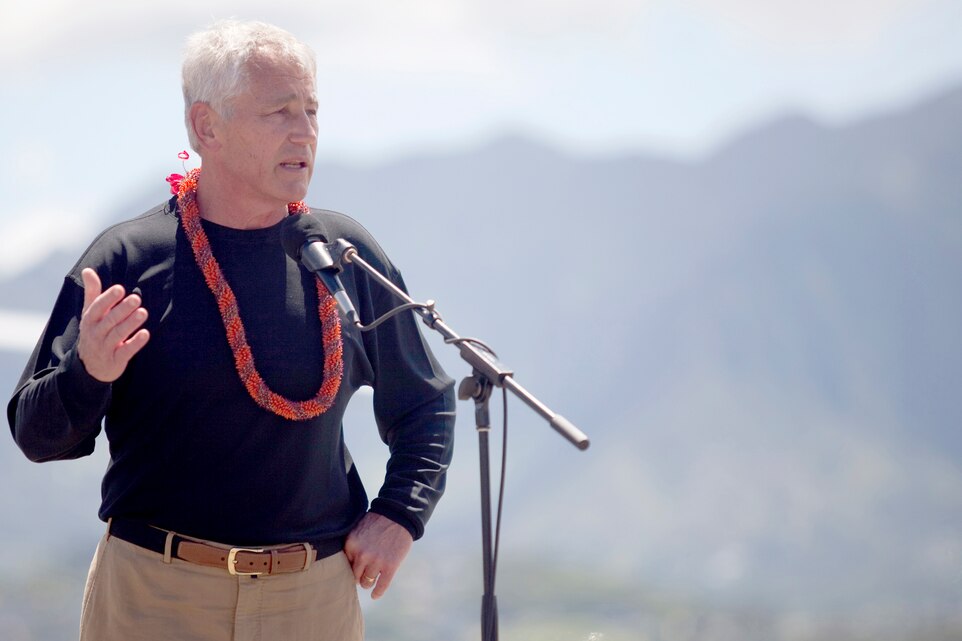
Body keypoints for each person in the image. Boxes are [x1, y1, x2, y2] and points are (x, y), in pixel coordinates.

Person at [6, 19, 455, 641]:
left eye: (312, 110)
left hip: (312, 600)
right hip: (156, 597)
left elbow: (427, 401)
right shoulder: (127, 259)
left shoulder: (344, 255)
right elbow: (35, 434)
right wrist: (89, 374)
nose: (304, 131)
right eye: (279, 111)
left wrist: (400, 515)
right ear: (205, 126)